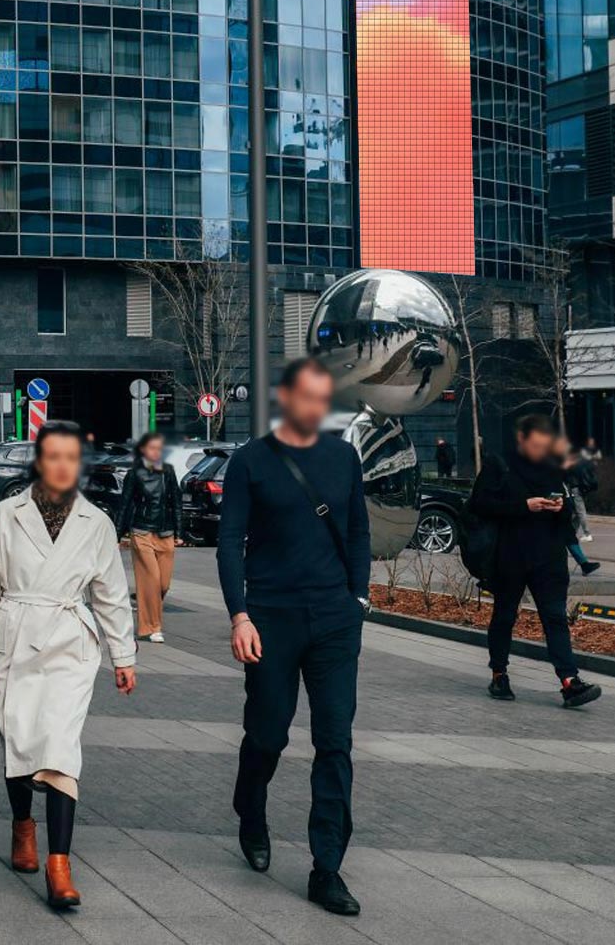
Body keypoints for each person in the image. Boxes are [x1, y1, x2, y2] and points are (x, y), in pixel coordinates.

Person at [0, 420, 137, 911]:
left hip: (67, 645)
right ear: (40, 461)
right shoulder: (6, 514)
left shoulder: (96, 522)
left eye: (70, 457)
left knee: (59, 747)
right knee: (18, 740)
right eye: (52, 456)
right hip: (11, 639)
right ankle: (22, 826)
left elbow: (112, 596)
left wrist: (123, 655)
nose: (61, 466)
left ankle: (60, 864)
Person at [217, 358, 369, 918]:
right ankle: (250, 809)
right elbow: (230, 541)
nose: (316, 406)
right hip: (272, 617)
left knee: (335, 742)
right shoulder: (251, 461)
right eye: (306, 396)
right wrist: (240, 615)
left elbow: (357, 530)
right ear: (284, 398)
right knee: (268, 734)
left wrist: (358, 600)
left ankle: (326, 867)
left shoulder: (343, 455)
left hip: (334, 618)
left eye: (323, 397)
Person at [470, 416, 602, 709]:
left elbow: (568, 507)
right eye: (535, 445)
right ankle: (499, 674)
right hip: (511, 555)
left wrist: (559, 506)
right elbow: (479, 504)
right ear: (522, 441)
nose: (541, 452)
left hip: (549, 556)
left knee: (555, 618)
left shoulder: (553, 467)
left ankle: (570, 682)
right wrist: (524, 506)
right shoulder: (499, 464)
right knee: (505, 615)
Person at [114, 431, 183, 643]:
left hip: (165, 532)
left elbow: (176, 502)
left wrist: (179, 533)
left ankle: (147, 610)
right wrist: (117, 535)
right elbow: (124, 505)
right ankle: (153, 627)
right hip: (141, 531)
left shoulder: (168, 472)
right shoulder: (135, 474)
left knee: (163, 584)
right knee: (151, 580)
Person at [560, 434, 600, 575]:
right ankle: (583, 563)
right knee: (567, 533)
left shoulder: (568, 461)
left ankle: (583, 563)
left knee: (568, 533)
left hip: (567, 495)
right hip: (562, 498)